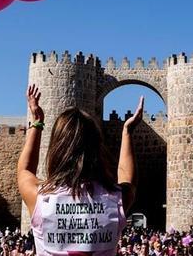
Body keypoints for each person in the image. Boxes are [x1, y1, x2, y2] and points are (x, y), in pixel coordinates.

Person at [17, 84, 144, 256]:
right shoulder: (116, 199)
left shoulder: (40, 199)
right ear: (97, 148)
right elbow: (127, 179)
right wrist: (127, 131)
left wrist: (37, 121)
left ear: (57, 149)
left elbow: (25, 170)